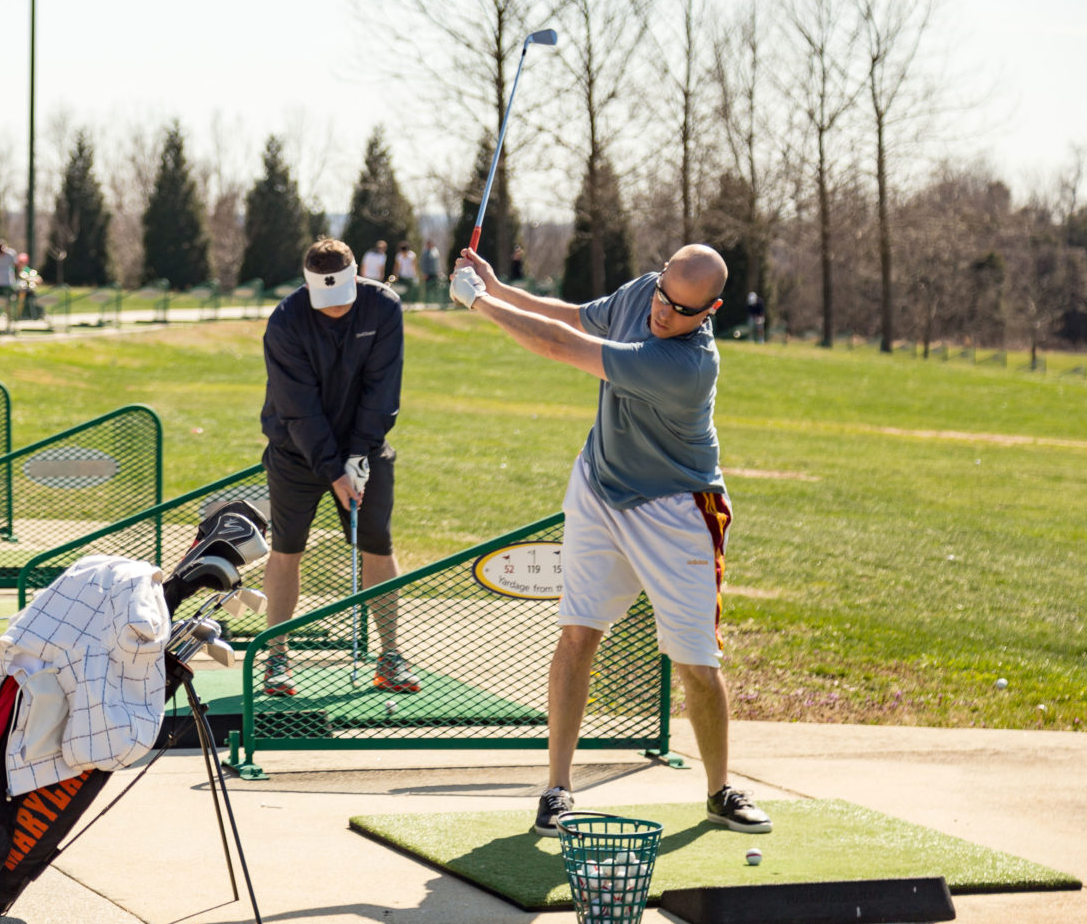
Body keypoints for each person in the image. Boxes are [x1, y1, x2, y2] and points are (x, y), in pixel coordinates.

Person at [449, 243, 772, 838]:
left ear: (711, 310)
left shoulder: (688, 365)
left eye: (681, 308)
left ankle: (720, 790)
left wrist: (482, 305)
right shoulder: (645, 293)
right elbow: (573, 317)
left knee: (695, 661)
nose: (662, 312)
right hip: (600, 486)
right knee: (577, 635)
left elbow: (559, 346)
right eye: (661, 295)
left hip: (678, 508)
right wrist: (499, 287)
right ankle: (557, 790)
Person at [258, 238, 418, 697]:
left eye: (342, 300)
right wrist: (334, 469)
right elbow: (299, 409)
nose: (335, 310)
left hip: (364, 448)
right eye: (324, 301)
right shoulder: (286, 322)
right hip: (296, 450)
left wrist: (358, 455)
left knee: (377, 544)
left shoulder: (384, 308)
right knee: (287, 548)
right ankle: (277, 658)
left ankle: (389, 655)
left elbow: (382, 391)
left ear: (355, 278)